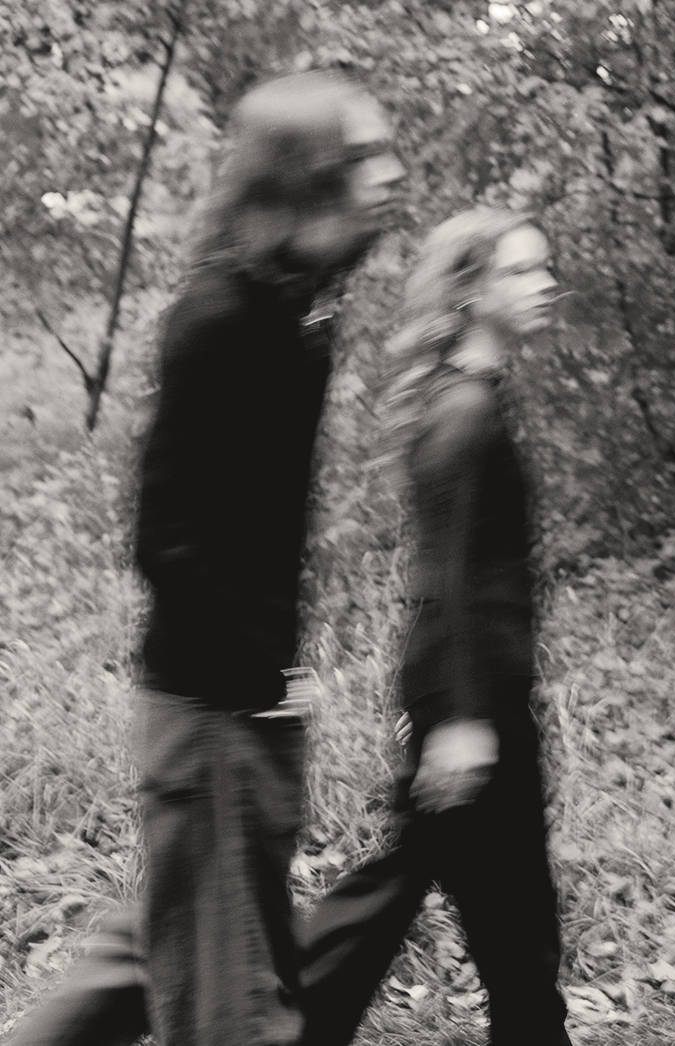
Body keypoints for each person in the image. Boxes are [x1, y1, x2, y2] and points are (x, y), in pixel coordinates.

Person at [5, 71, 404, 1046]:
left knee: (182, 939)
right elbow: (167, 535)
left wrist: (282, 668)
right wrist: (261, 672)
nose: (391, 175)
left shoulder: (300, 314)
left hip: (248, 706)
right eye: (364, 157)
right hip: (214, 709)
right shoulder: (220, 318)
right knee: (232, 1003)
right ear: (298, 179)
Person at [299, 207, 574, 1046]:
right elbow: (444, 578)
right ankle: (276, 1018)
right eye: (521, 272)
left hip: (474, 693)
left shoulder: (472, 398)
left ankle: (283, 1018)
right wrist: (458, 720)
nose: (543, 285)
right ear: (469, 292)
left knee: (473, 898)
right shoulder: (463, 414)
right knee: (473, 901)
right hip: (467, 700)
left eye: (543, 268)